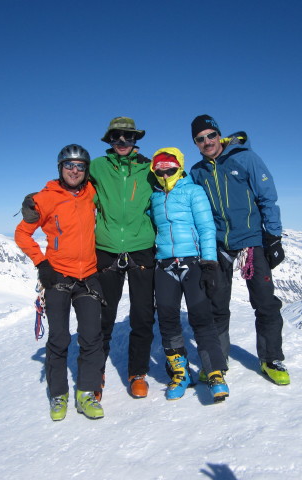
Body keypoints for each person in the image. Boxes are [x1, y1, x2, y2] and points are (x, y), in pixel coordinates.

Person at [189, 115, 290, 385]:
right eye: (200, 139)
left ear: (219, 136)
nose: (207, 142)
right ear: (195, 143)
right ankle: (216, 361)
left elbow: (267, 195)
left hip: (252, 241)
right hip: (219, 244)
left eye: (211, 135)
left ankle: (271, 359)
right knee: (216, 305)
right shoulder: (197, 172)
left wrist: (274, 236)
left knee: (265, 302)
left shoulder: (245, 159)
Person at [15, 144, 106, 421]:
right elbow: (22, 234)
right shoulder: (46, 198)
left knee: (92, 337)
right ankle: (59, 395)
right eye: (69, 165)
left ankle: (86, 393)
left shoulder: (92, 192)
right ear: (60, 168)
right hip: (58, 276)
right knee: (59, 338)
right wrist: (41, 263)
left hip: (88, 275)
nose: (74, 170)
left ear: (86, 170)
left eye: (80, 166)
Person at [149, 147, 230, 402]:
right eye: (159, 166)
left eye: (169, 165)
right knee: (167, 319)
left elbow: (207, 227)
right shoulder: (154, 197)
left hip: (193, 261)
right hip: (164, 264)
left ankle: (214, 372)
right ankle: (180, 373)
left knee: (201, 317)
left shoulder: (193, 191)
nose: (164, 170)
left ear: (179, 166)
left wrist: (209, 263)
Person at [89, 117, 156, 399]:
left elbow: (174, 190)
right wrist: (38, 200)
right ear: (109, 140)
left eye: (127, 137)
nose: (122, 142)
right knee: (104, 315)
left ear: (135, 139)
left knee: (142, 315)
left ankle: (137, 373)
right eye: (117, 137)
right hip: (106, 247)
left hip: (141, 246)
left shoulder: (149, 168)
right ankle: (95, 372)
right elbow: (71, 189)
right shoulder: (97, 167)